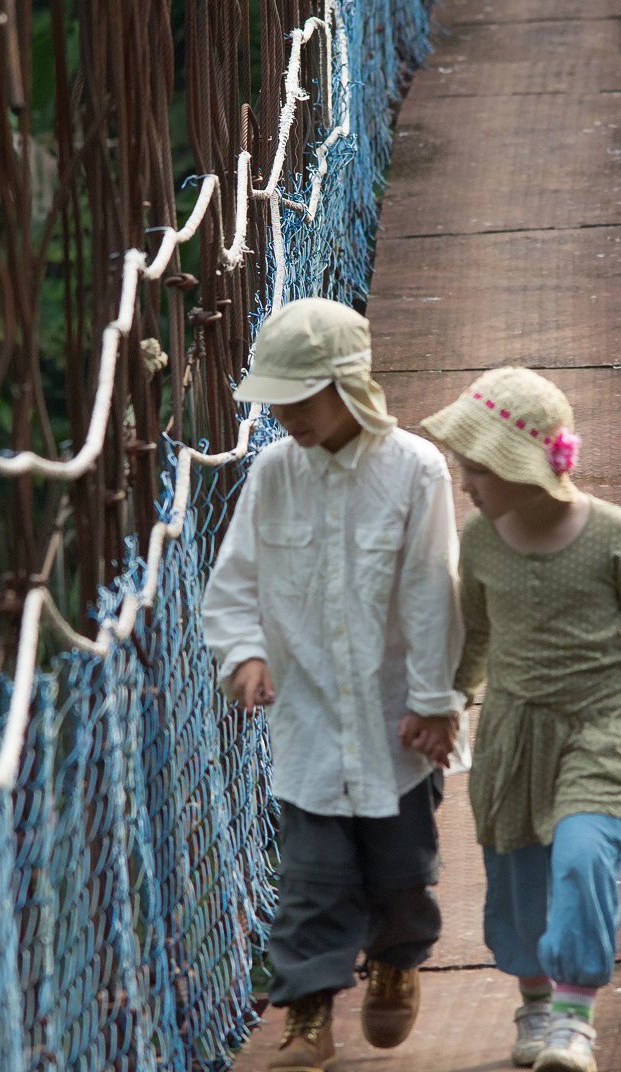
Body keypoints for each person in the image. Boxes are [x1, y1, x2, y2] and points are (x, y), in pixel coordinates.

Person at [202, 296, 466, 1072]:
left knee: (400, 873)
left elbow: (431, 592)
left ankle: (395, 961)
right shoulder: (274, 475)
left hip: (397, 723)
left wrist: (433, 699)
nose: (282, 413)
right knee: (310, 879)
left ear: (348, 386)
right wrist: (244, 655)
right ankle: (307, 1014)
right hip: (308, 718)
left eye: (297, 396)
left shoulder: (415, 470)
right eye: (274, 398)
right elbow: (234, 584)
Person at [419, 366, 621, 1072]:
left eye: (478, 468)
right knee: (517, 879)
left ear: (525, 467)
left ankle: (574, 1019)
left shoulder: (609, 533)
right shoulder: (480, 543)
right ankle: (537, 1003)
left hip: (596, 729)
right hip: (512, 735)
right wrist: (450, 700)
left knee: (582, 859)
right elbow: (477, 635)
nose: (466, 483)